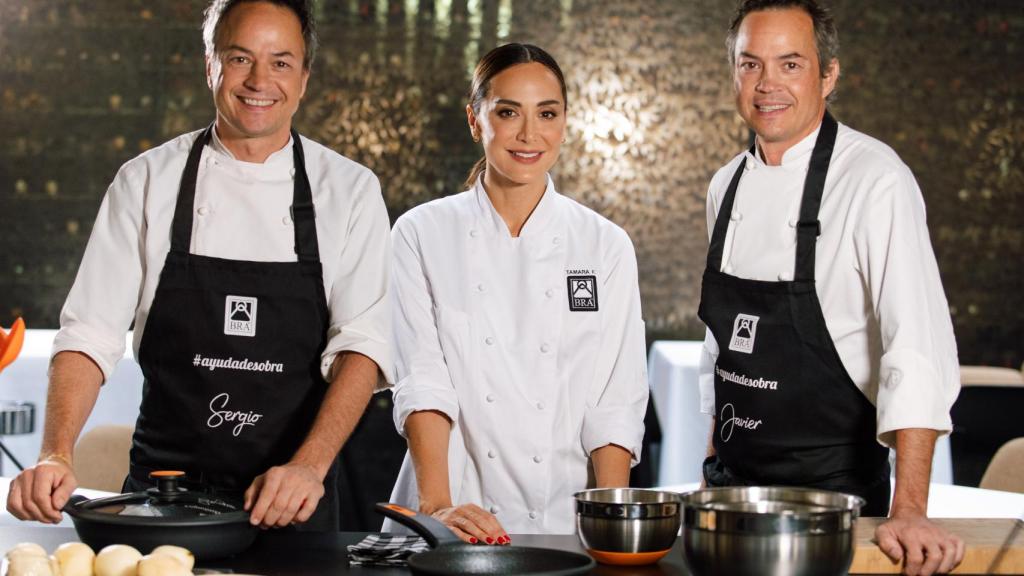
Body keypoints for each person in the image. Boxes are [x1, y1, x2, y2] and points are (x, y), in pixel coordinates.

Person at [6, 0, 391, 531]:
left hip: (294, 499)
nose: (259, 80)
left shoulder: (350, 191)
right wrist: (55, 452)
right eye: (239, 58)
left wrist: (308, 467)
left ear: (304, 77)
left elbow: (361, 348)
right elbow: (88, 334)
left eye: (280, 62)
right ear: (209, 64)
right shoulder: (145, 181)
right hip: (160, 500)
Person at [697, 1, 964, 574]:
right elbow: (721, 344)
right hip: (733, 496)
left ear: (829, 74)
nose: (767, 85)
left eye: (790, 64)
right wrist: (712, 458)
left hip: (834, 500)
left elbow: (915, 346)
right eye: (750, 65)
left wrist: (910, 509)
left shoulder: (875, 179)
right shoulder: (726, 186)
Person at [384, 43, 648, 542]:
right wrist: (438, 508)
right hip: (453, 507)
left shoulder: (603, 244)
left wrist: (609, 522)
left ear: (565, 121)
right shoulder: (421, 233)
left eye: (547, 113)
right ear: (475, 120)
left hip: (566, 519)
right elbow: (422, 381)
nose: (530, 134)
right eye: (508, 112)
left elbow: (616, 399)